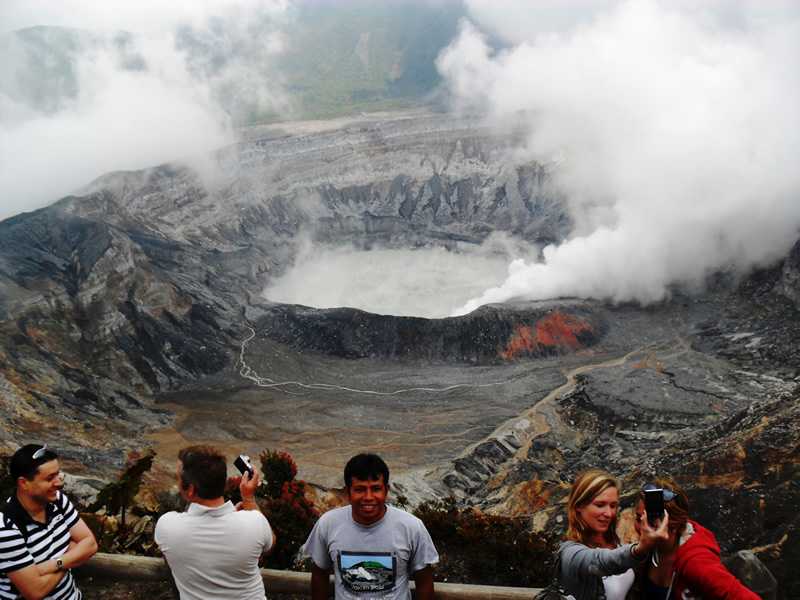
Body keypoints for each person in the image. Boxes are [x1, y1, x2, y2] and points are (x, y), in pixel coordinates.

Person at [303, 453, 439, 600]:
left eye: (375, 489)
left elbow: (424, 581)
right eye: (360, 489)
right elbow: (319, 574)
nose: (368, 497)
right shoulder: (328, 524)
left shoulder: (411, 527)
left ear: (386, 491)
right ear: (348, 491)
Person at [154, 445, 275, 600]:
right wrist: (249, 499)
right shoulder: (254, 522)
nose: (177, 482)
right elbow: (270, 545)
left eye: (178, 477)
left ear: (190, 490)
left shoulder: (168, 526)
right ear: (223, 482)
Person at [633, 477, 759, 599]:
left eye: (649, 520)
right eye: (638, 518)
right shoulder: (650, 549)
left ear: (672, 523)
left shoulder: (696, 563)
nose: (640, 527)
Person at [0, 443, 98, 600]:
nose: (59, 483)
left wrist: (53, 564)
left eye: (58, 474)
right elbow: (35, 592)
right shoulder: (6, 529)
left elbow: (90, 544)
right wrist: (71, 555)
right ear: (24, 483)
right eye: (49, 478)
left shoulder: (57, 500)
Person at [559, 469, 669, 600]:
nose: (609, 513)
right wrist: (639, 549)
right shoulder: (570, 554)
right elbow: (601, 562)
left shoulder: (616, 540)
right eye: (600, 505)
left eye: (613, 505)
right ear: (579, 506)